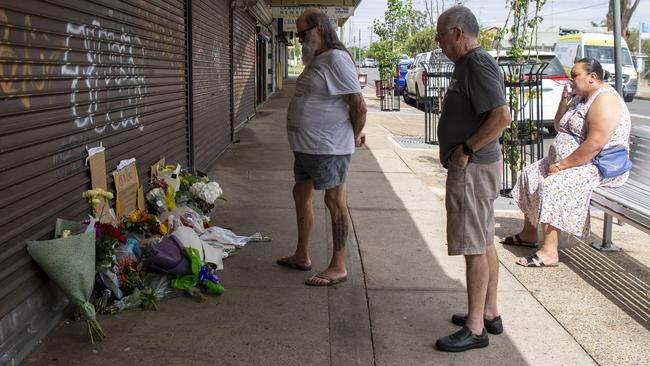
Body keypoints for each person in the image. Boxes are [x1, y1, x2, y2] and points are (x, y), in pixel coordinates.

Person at [434, 6, 512, 352]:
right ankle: (489, 312)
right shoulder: (469, 65)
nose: (438, 43)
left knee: (474, 247)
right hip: (478, 168)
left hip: (474, 169)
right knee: (483, 240)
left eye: (440, 35)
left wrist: (466, 148)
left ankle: (476, 327)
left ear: (457, 32)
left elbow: (501, 116)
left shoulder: (477, 64)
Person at [504, 58, 631, 267]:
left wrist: (562, 166)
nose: (570, 79)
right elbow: (558, 124)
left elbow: (595, 143)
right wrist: (565, 100)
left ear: (592, 77)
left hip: (598, 166)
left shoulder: (604, 99)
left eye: (575, 75)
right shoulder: (581, 97)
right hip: (576, 162)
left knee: (552, 185)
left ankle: (550, 252)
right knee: (531, 173)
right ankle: (528, 234)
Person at [276, 8, 367, 287]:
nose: (299, 38)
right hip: (307, 147)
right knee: (300, 192)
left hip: (328, 147)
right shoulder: (319, 59)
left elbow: (358, 104)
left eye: (302, 33)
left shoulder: (337, 59)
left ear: (318, 29)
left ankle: (338, 266)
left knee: (334, 202)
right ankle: (302, 255)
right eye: (297, 34)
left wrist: (355, 133)